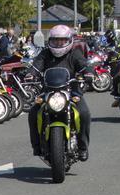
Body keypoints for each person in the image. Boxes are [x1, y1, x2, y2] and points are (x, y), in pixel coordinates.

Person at [28, 24, 91, 160]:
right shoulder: (45, 54)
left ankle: (82, 147)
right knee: (33, 113)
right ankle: (37, 145)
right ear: (50, 41)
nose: (58, 43)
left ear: (68, 40)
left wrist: (89, 72)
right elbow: (36, 65)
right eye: (55, 40)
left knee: (84, 114)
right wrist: (30, 74)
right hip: (48, 91)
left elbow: (84, 65)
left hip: (72, 91)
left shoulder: (74, 54)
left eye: (62, 40)